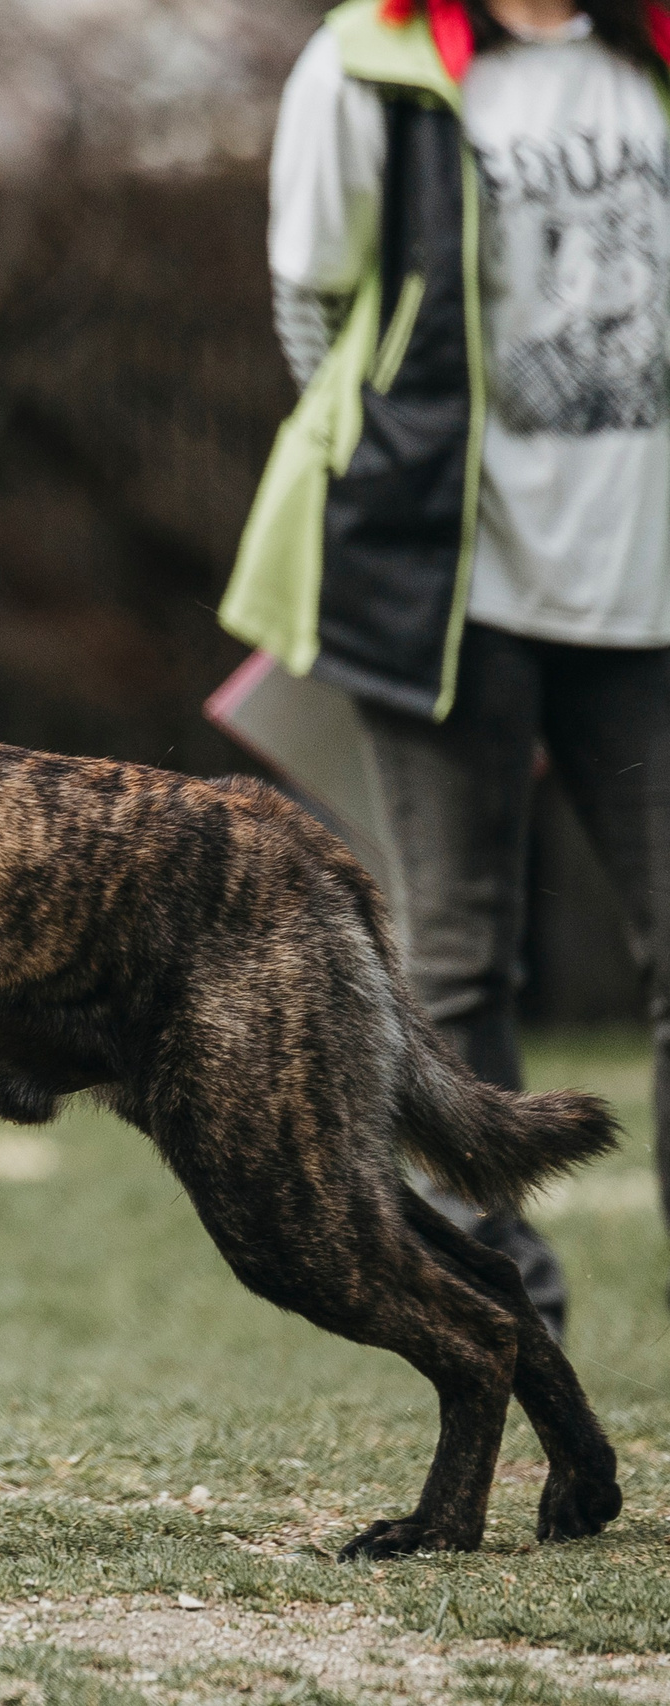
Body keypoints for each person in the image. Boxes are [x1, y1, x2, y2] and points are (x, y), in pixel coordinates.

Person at [224, 0, 670, 1341]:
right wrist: (400, 489)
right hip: (452, 590)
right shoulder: (372, 62)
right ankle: (511, 1325)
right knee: (461, 956)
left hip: (647, 588)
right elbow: (318, 311)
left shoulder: (644, 53)